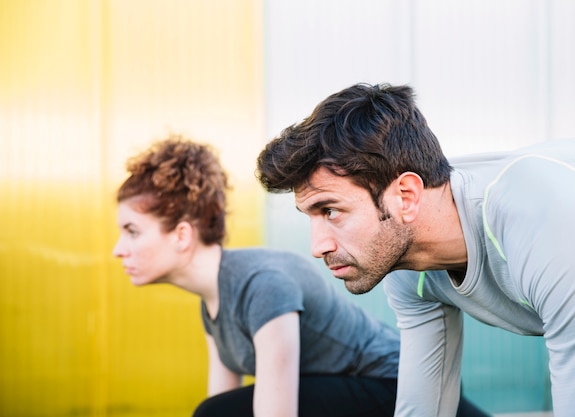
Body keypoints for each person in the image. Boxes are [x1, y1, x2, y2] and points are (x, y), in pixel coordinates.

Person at [255, 83, 575, 417]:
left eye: (331, 210)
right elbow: (425, 409)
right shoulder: (408, 270)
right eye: (311, 217)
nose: (317, 247)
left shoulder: (546, 217)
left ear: (406, 196)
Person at [112, 135, 488, 417]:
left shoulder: (263, 284)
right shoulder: (213, 303)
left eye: (131, 231)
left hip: (397, 386)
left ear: (181, 235)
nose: (118, 249)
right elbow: (219, 401)